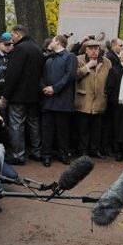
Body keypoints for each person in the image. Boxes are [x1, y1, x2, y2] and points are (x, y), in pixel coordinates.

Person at [2, 25, 44, 165]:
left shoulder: (19, 49)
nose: (11, 38)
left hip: (19, 95)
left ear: (18, 34)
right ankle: (37, 152)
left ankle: (17, 155)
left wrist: (6, 94)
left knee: (16, 124)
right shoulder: (37, 48)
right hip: (35, 94)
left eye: (12, 34)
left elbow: (13, 74)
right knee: (34, 123)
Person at [40, 35, 77, 167]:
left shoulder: (70, 56)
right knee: (47, 130)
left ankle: (63, 154)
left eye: (53, 40)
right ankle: (46, 156)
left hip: (63, 100)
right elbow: (41, 75)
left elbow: (70, 75)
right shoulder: (48, 57)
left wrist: (54, 88)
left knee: (63, 131)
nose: (50, 42)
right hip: (48, 99)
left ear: (59, 42)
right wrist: (44, 87)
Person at [74, 40, 111, 158]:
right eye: (91, 48)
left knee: (97, 129)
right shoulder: (78, 59)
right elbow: (74, 76)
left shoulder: (107, 62)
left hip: (100, 100)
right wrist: (87, 66)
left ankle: (94, 149)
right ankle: (82, 150)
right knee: (83, 128)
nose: (94, 51)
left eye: (96, 48)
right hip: (83, 100)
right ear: (86, 50)